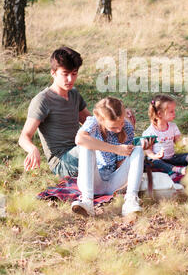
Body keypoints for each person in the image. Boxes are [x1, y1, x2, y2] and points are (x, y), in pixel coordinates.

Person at [18, 47, 91, 177]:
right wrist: (33, 149)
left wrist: (120, 120)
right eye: (65, 74)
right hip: (62, 163)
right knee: (92, 147)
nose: (70, 79)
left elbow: (91, 122)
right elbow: (24, 137)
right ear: (53, 73)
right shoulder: (42, 100)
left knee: (113, 141)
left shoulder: (74, 94)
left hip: (80, 150)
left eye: (74, 73)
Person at [72, 96, 145, 217]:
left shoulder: (127, 127)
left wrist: (128, 154)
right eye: (113, 127)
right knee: (86, 145)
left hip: (114, 181)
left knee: (138, 150)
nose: (118, 129)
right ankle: (87, 201)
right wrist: (116, 149)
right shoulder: (93, 121)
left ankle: (131, 200)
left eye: (121, 123)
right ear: (100, 119)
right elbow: (79, 139)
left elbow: (121, 166)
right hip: (93, 180)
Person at [142, 94, 188, 176]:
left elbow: (178, 143)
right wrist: (156, 156)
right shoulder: (150, 132)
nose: (174, 113)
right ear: (159, 114)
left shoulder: (173, 127)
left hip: (172, 158)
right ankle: (175, 170)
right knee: (154, 162)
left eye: (174, 110)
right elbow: (149, 153)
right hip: (159, 161)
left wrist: (184, 142)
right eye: (171, 111)